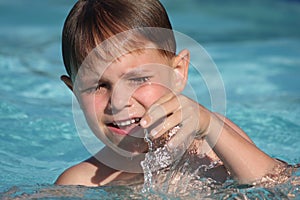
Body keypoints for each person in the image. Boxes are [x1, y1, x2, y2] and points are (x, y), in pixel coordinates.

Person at [55, 0, 287, 187]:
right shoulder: (81, 182)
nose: (118, 102)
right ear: (74, 92)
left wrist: (210, 125)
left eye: (138, 79)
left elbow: (280, 185)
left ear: (177, 73)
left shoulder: (213, 142)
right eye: (99, 86)